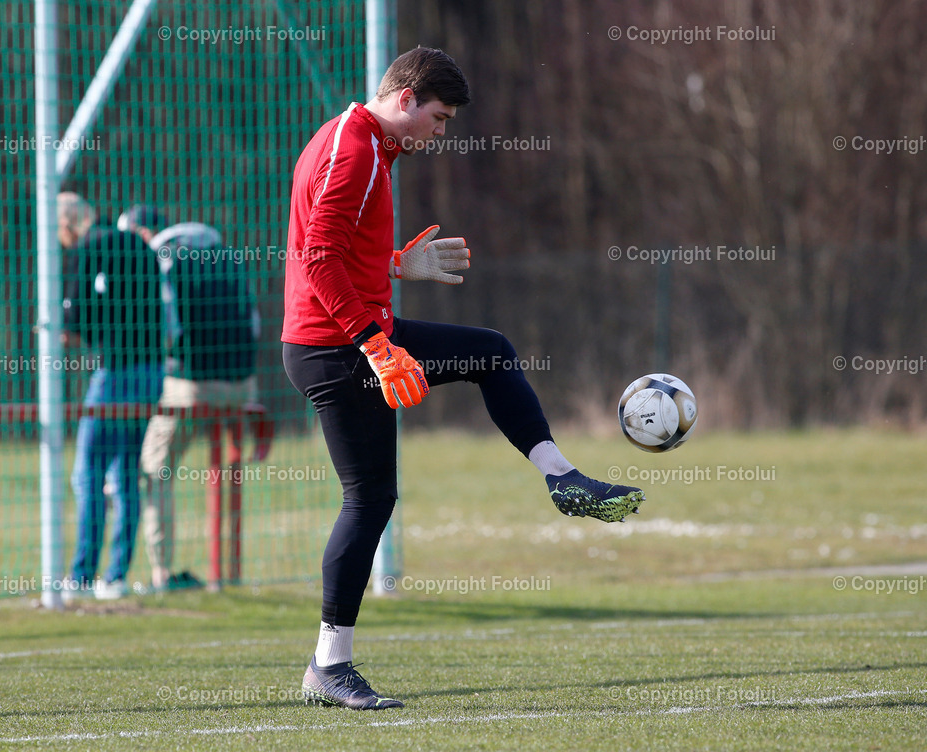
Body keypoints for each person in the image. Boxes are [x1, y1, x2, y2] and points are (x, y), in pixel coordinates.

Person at [281, 47, 646, 710]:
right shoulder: (356, 150)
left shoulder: (364, 146)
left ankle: (563, 477)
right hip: (335, 346)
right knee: (368, 500)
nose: (440, 133)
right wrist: (373, 345)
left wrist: (396, 265)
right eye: (440, 118)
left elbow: (340, 249)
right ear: (406, 97)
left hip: (352, 335)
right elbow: (317, 258)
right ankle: (328, 666)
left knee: (492, 353)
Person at [134, 219, 260, 592]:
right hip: (241, 386)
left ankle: (161, 573)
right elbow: (252, 321)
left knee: (155, 470)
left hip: (191, 385)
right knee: (226, 470)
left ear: (144, 232)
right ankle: (228, 575)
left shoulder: (162, 255)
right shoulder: (228, 254)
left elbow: (170, 327)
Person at [60, 195, 165, 603]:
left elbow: (75, 316)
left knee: (87, 474)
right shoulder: (137, 244)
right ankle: (115, 576)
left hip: (114, 371)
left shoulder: (88, 249)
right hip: (151, 371)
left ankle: (81, 575)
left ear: (69, 226)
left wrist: (70, 332)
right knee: (124, 477)